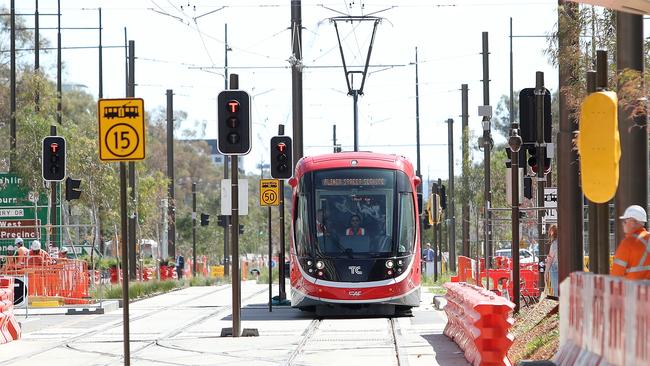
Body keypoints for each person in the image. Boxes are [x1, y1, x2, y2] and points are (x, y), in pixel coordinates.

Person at [611, 205, 650, 279]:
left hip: (633, 289)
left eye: (625, 221)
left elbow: (616, 275)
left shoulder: (628, 243)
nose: (623, 224)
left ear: (633, 222)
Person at [544, 224, 559, 296]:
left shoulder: (554, 243)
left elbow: (550, 259)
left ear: (552, 232)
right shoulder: (564, 242)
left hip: (555, 268)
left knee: (557, 291)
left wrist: (545, 273)